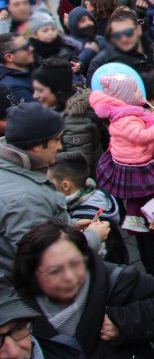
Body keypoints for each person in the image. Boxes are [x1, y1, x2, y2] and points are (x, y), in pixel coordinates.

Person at [12, 220, 154, 359]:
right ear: (31, 274)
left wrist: (121, 322)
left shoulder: (116, 281)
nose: (70, 277)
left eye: (75, 263)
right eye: (55, 271)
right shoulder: (13, 308)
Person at [0, 103, 108, 274]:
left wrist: (67, 226)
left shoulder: (13, 166)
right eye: (56, 140)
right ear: (36, 145)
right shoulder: (24, 198)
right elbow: (43, 259)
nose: (59, 147)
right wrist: (92, 238)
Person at [89, 72, 154, 230]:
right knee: (140, 193)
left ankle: (141, 218)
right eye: (136, 90)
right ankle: (136, 221)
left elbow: (139, 124)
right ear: (126, 95)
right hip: (134, 163)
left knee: (137, 195)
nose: (140, 93)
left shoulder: (125, 114)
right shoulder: (126, 118)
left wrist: (152, 117)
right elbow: (141, 135)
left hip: (130, 160)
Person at [86, 9, 154, 83]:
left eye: (128, 32)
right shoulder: (101, 62)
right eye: (117, 35)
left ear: (138, 29)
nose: (123, 39)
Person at [0, 34, 34, 103]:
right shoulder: (14, 87)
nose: (31, 48)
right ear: (9, 57)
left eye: (29, 44)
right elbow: (36, 112)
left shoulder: (32, 67)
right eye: (25, 47)